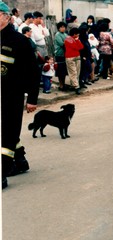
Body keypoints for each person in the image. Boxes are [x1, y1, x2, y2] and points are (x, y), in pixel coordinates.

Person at [0, 1, 40, 188]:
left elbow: (33, 72)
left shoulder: (19, 41)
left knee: (6, 135)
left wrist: (32, 98)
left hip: (12, 96)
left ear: (7, 17)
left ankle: (2, 173)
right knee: (7, 133)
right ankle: (20, 161)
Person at [64, 27, 84, 95]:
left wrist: (77, 40)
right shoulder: (68, 39)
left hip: (75, 56)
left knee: (76, 72)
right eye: (77, 34)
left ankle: (74, 85)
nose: (78, 35)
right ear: (74, 34)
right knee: (74, 73)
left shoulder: (73, 39)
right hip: (71, 57)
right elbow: (77, 47)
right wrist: (77, 41)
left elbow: (81, 47)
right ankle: (76, 87)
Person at [54, 21, 68, 91]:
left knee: (64, 71)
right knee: (60, 70)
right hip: (59, 54)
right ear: (58, 28)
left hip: (65, 54)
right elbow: (62, 44)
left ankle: (64, 83)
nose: (63, 28)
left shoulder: (65, 34)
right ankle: (61, 85)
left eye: (64, 27)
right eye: (61, 27)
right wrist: (66, 42)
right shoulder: (57, 35)